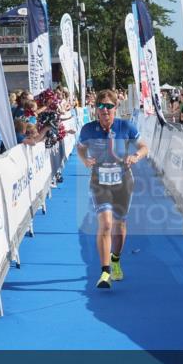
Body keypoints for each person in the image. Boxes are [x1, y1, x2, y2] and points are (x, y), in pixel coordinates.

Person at [76, 89, 148, 290]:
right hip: (100, 182)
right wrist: (84, 159)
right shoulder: (88, 129)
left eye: (109, 106)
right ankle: (105, 271)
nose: (105, 110)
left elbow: (144, 147)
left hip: (123, 182)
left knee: (120, 225)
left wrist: (135, 156)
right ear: (96, 110)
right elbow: (80, 147)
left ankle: (115, 259)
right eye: (101, 106)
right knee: (106, 223)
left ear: (115, 108)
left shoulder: (125, 126)